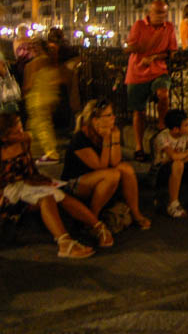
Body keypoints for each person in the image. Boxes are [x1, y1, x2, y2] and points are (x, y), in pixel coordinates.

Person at [1, 112, 106, 258]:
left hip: (27, 185)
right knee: (47, 197)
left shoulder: (24, 140)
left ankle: (98, 227)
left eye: (19, 123)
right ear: (5, 133)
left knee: (59, 195)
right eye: (15, 126)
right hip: (9, 194)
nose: (20, 127)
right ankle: (65, 243)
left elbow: (30, 168)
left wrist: (36, 179)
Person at [61, 99, 151, 230]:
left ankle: (136, 213)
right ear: (95, 120)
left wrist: (114, 138)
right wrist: (108, 140)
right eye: (108, 115)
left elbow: (115, 161)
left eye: (112, 114)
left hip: (100, 178)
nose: (113, 117)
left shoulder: (109, 131)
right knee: (112, 174)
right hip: (76, 183)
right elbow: (101, 166)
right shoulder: (80, 138)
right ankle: (92, 219)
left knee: (125, 168)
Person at [125, 0, 177, 162]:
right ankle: (139, 146)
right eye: (158, 13)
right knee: (139, 111)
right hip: (137, 72)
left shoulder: (169, 28)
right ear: (150, 12)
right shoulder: (139, 25)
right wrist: (141, 49)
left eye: (164, 13)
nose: (161, 16)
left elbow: (171, 52)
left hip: (158, 70)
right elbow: (129, 47)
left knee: (163, 93)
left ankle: (162, 124)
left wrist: (154, 56)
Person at [22, 39, 60, 164]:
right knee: (41, 126)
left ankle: (51, 153)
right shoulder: (50, 61)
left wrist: (23, 93)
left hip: (38, 99)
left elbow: (29, 84)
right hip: (47, 97)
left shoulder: (35, 63)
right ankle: (46, 150)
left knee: (41, 126)